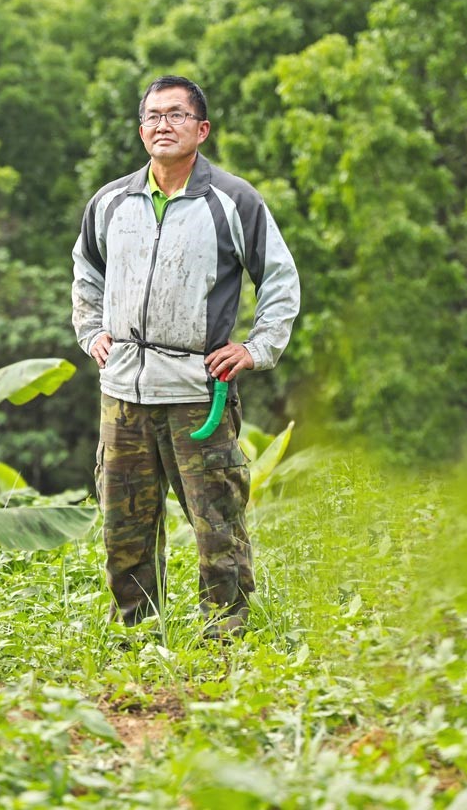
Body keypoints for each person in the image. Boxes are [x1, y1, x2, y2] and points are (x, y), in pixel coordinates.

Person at [72, 75, 299, 639]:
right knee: (124, 526)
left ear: (201, 129)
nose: (161, 125)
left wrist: (255, 347)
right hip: (122, 390)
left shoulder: (232, 201)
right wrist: (91, 330)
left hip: (199, 391)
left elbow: (279, 279)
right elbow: (86, 271)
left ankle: (224, 637)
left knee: (215, 522)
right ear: (140, 128)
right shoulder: (111, 201)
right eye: (152, 116)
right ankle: (136, 634)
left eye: (175, 115)